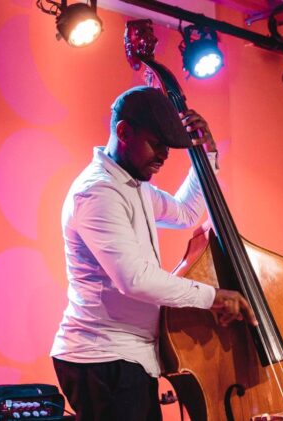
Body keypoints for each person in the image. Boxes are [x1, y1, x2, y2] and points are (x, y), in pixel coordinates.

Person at [50, 86, 257, 421]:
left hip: (125, 356)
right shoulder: (98, 192)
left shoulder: (134, 185)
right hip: (102, 358)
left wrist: (206, 156)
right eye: (157, 143)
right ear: (123, 132)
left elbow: (186, 213)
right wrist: (214, 296)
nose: (164, 155)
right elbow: (133, 279)